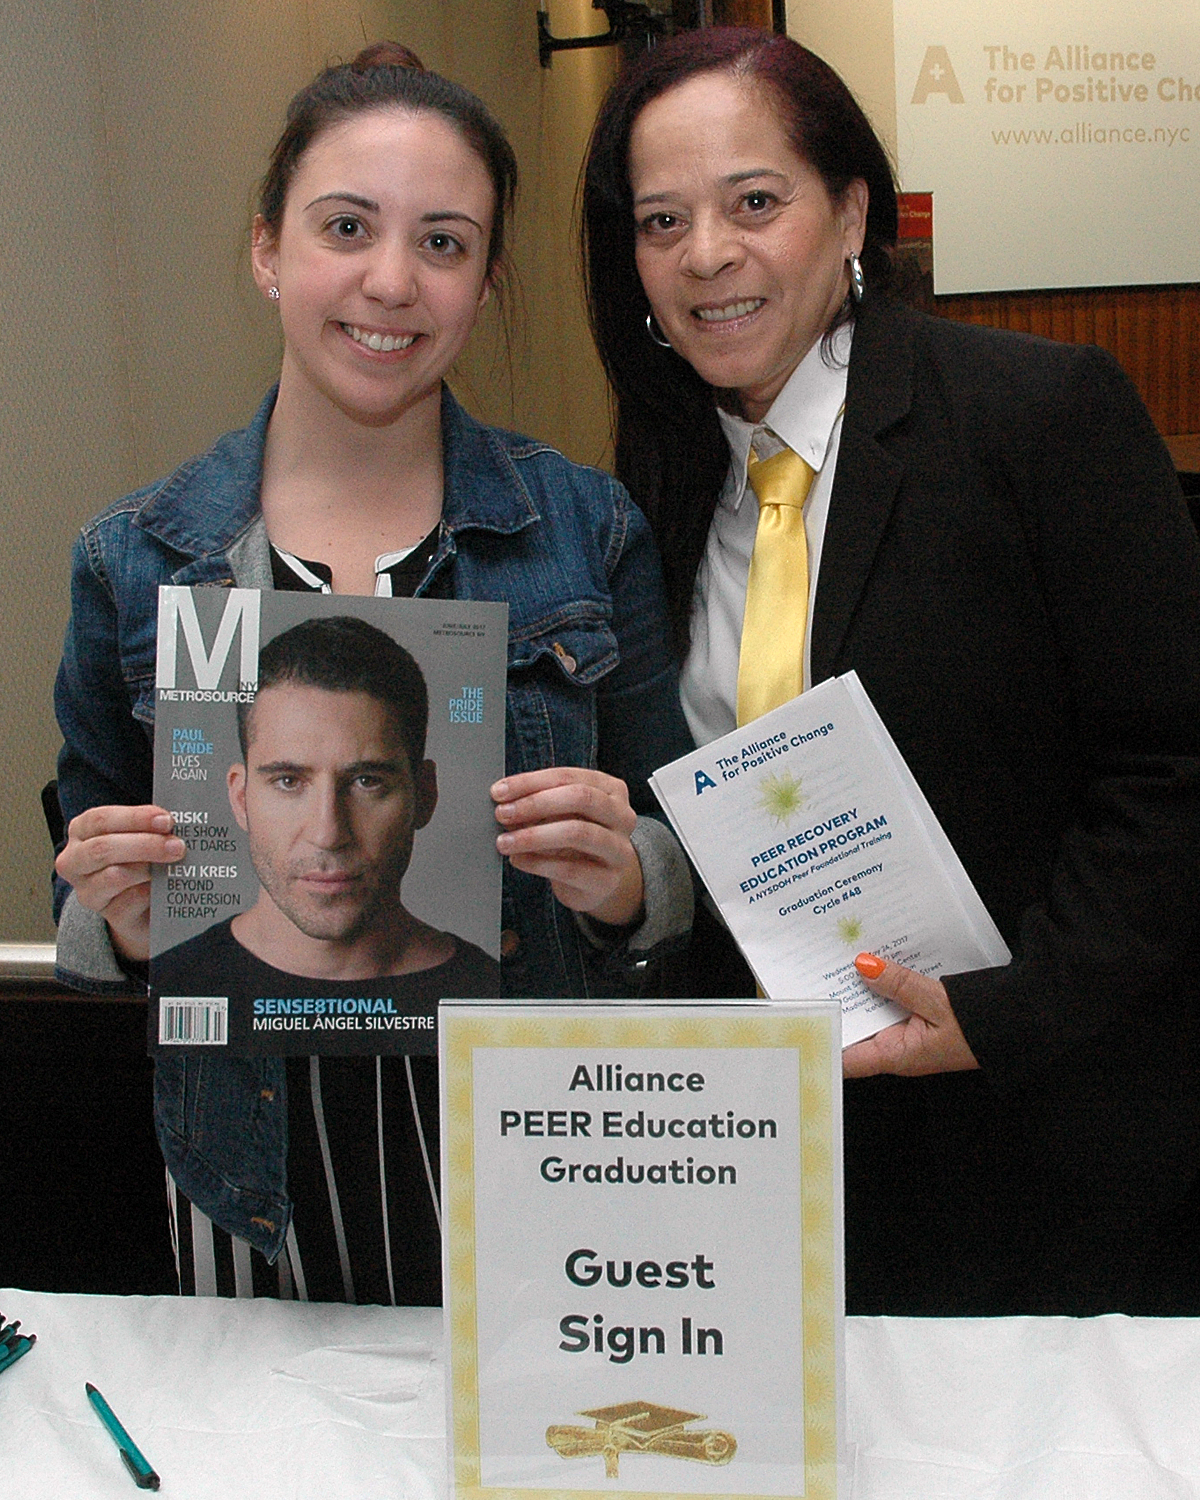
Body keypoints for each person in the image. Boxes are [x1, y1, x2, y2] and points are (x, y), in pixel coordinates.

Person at [53, 43, 693, 1304]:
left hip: (546, 1178)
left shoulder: (585, 529)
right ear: (267, 250)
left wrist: (629, 880)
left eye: (444, 243)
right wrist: (118, 918)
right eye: (348, 226)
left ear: (487, 279)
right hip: (245, 1188)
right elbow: (84, 900)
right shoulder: (137, 564)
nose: (392, 282)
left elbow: (681, 865)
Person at [582, 27, 1200, 1314]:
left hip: (1037, 1140)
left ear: (851, 209)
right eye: (662, 220)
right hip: (776, 1147)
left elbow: (1173, 768)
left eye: (756, 202)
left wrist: (1013, 1010)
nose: (707, 255)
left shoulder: (1038, 414)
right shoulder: (660, 475)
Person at [154, 615, 499, 1010]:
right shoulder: (175, 983)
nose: (328, 832)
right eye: (288, 781)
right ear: (240, 797)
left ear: (425, 794)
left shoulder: (489, 992)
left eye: (367, 781)